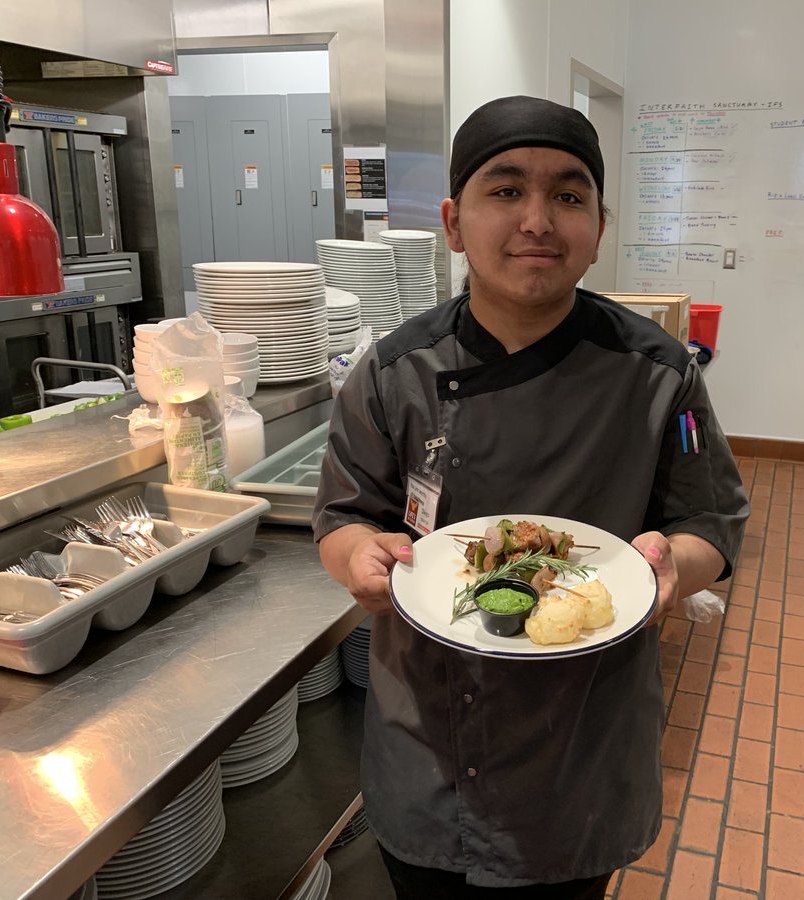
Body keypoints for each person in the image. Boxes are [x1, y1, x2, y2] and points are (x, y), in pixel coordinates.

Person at [313, 94, 749, 898]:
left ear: (599, 227)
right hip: (426, 738)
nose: (539, 220)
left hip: (581, 747)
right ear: (453, 221)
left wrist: (670, 568)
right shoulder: (393, 372)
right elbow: (344, 516)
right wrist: (358, 559)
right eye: (506, 191)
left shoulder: (659, 375)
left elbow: (711, 519)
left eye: (569, 195)